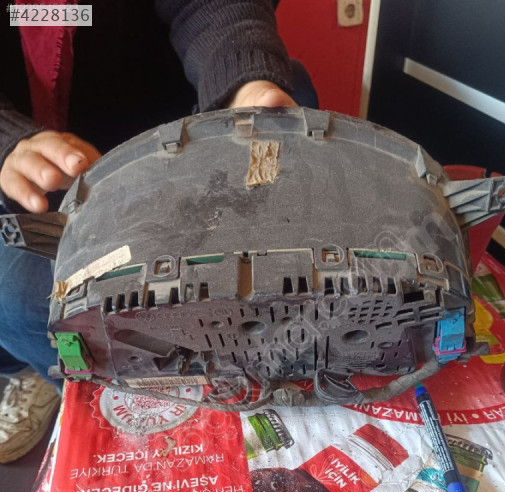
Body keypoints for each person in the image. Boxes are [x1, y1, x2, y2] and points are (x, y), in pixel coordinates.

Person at [0, 0, 316, 463]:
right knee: (17, 295)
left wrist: (243, 78)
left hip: (176, 131)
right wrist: (7, 141)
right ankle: (54, 373)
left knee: (292, 94)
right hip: (32, 171)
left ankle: (256, 361)